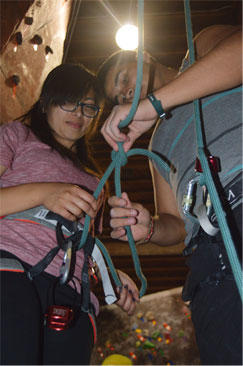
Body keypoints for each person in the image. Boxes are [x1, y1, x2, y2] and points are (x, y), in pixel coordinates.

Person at [97, 24, 242, 365]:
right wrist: (147, 228)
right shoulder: (158, 142)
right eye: (120, 95)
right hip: (211, 256)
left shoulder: (201, 49)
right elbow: (176, 224)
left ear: (142, 55)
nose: (126, 91)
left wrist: (153, 105)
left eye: (122, 77)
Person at [0, 63, 139, 366]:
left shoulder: (95, 179)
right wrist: (45, 193)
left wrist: (111, 277)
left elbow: (85, 247)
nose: (79, 113)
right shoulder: (18, 136)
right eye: (70, 101)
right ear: (47, 101)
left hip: (71, 293)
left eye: (89, 107)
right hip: (10, 269)